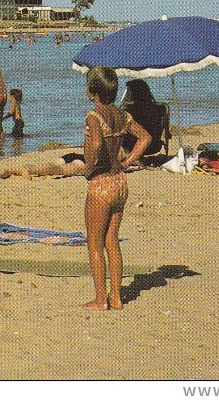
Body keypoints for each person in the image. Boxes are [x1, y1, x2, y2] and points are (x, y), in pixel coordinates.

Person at [81, 66, 151, 310]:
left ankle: (101, 299)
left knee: (94, 243)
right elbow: (145, 137)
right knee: (112, 240)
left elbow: (97, 143)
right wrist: (129, 160)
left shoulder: (94, 116)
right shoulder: (123, 115)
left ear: (91, 92)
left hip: (101, 183)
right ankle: (117, 297)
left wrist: (89, 167)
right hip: (121, 182)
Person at [119, 79, 171, 159]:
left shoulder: (129, 110)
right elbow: (167, 133)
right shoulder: (160, 107)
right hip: (154, 146)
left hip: (132, 147)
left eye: (128, 91)